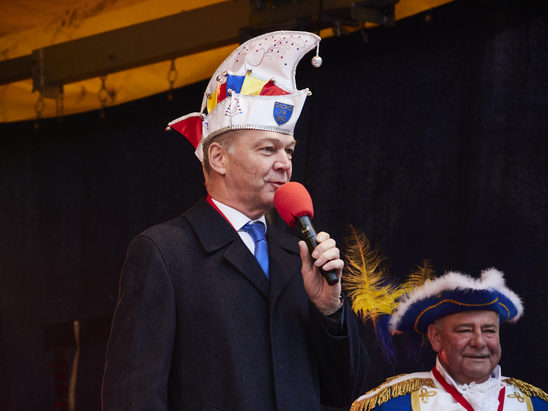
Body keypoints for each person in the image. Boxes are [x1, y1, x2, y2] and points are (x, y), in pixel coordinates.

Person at [101, 30, 369, 410]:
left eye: (289, 150)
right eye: (268, 149)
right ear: (218, 158)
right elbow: (133, 396)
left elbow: (346, 392)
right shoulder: (165, 253)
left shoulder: (298, 255)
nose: (285, 164)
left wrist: (329, 311)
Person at [346, 267, 548, 410]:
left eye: (489, 330)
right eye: (465, 330)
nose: (479, 342)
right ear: (436, 337)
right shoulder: (390, 406)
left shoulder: (536, 405)